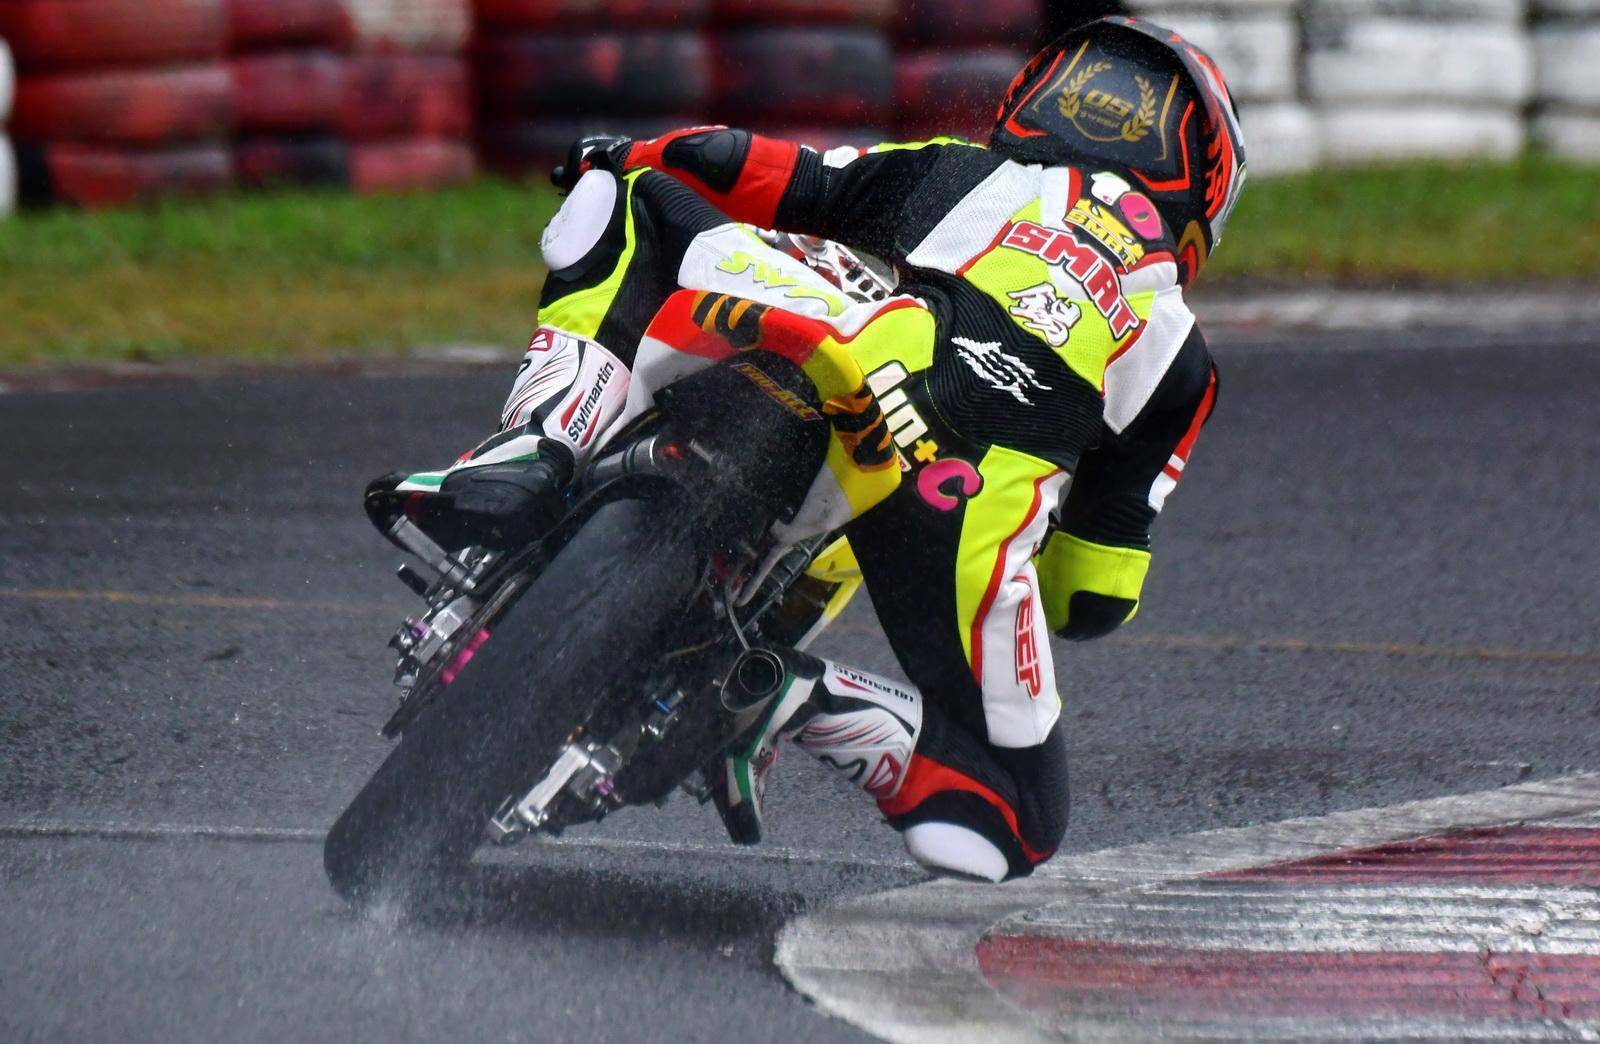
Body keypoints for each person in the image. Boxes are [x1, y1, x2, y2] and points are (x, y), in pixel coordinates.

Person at [366, 16, 1246, 882]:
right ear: (1202, 194)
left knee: (624, 193)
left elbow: (757, 170)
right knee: (1018, 817)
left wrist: (632, 150)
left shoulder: (967, 174)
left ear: (1037, 99)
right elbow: (1087, 600)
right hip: (955, 504)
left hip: (856, 355)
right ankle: (790, 696)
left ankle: (540, 442)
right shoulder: (1181, 356)